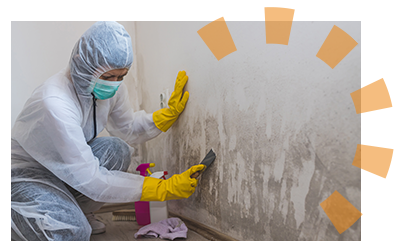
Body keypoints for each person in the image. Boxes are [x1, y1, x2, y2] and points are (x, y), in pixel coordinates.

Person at [11, 21, 205, 241]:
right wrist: (161, 188)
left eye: (121, 76)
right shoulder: (54, 102)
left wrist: (165, 116)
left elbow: (128, 128)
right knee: (71, 232)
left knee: (117, 149)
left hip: (64, 170)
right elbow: (91, 179)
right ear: (81, 63)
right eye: (107, 77)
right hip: (28, 173)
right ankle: (20, 214)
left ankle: (77, 212)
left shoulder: (111, 89)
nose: (114, 84)